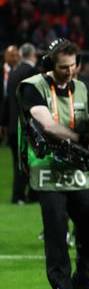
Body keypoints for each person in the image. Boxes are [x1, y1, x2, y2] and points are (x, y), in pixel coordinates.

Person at [17, 38, 89, 289]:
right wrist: (83, 139)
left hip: (75, 166)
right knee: (57, 228)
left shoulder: (82, 86)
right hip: (45, 167)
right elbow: (47, 124)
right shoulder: (32, 88)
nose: (69, 72)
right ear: (49, 64)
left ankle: (84, 281)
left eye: (72, 66)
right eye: (62, 68)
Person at [1, 43, 38, 204]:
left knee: (19, 162)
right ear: (33, 55)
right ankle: (25, 195)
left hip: (13, 126)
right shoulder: (32, 72)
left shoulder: (14, 73)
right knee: (29, 161)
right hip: (26, 126)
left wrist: (4, 124)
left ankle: (19, 195)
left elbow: (7, 101)